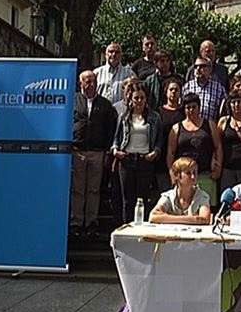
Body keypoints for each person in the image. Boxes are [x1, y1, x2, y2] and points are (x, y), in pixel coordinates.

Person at [70, 70, 117, 238]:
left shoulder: (104, 104)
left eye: (93, 81)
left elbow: (109, 129)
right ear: (80, 83)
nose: (91, 85)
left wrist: (106, 151)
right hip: (78, 151)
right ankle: (76, 221)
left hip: (97, 152)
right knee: (78, 188)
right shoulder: (73, 101)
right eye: (87, 81)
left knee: (94, 189)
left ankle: (91, 221)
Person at [111, 83, 162, 223]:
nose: (139, 101)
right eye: (136, 98)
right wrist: (115, 150)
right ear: (130, 99)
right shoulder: (124, 117)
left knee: (143, 199)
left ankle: (141, 230)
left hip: (145, 160)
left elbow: (159, 140)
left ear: (146, 99)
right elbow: (116, 137)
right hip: (127, 159)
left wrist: (155, 152)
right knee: (128, 200)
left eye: (141, 98)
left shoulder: (154, 117)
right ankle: (126, 227)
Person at [166, 93, 223, 205]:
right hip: (183, 178)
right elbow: (170, 152)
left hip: (206, 174)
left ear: (199, 107)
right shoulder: (176, 128)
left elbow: (218, 147)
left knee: (207, 208)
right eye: (188, 107)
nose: (191, 110)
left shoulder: (210, 125)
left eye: (194, 107)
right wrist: (172, 173)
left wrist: (218, 167)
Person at [149, 157, 211, 224]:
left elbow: (204, 219)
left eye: (195, 173)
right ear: (176, 175)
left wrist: (166, 217)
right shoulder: (168, 196)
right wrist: (192, 219)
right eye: (188, 173)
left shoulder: (202, 196)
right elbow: (153, 217)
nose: (193, 177)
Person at [218, 90, 241, 191]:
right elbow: (218, 144)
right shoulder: (224, 121)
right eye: (233, 102)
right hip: (228, 168)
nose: (236, 105)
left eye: (239, 102)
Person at [156, 79, 185, 192]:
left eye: (176, 90)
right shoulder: (158, 112)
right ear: (166, 92)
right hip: (162, 160)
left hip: (180, 158)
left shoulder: (184, 112)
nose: (173, 92)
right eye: (171, 89)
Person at [182, 57, 227, 122]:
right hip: (190, 127)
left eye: (202, 66)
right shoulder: (187, 87)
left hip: (209, 127)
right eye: (195, 66)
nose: (198, 69)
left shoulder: (218, 88)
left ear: (210, 69)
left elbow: (224, 109)